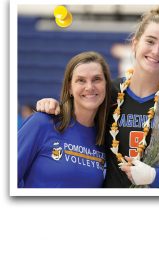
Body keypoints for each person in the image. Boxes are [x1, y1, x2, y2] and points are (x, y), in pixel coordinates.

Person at [37, 6, 159, 188]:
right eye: (150, 41)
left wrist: (155, 176)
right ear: (135, 43)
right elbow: (73, 125)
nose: (156, 51)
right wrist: (53, 106)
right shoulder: (106, 92)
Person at [18, 52, 110, 188]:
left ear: (106, 85)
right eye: (81, 80)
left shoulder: (106, 139)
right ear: (70, 88)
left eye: (96, 79)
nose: (89, 87)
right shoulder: (43, 123)